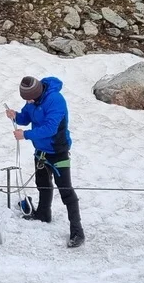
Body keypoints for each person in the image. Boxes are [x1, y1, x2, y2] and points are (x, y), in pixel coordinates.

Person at [5, 76, 85, 249]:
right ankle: (43, 214)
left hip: (58, 151)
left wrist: (25, 135)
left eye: (30, 99)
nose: (28, 102)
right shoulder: (32, 98)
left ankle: (77, 231)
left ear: (38, 92)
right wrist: (15, 116)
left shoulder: (55, 100)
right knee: (42, 183)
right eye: (26, 99)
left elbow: (51, 128)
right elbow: (26, 117)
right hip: (41, 151)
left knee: (66, 190)